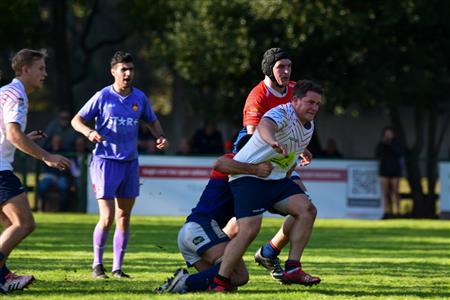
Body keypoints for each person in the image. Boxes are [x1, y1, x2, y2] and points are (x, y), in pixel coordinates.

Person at [209, 80, 324, 292]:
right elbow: (265, 125)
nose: (314, 108)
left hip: (276, 179)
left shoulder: (309, 124)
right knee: (249, 230)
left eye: (317, 104)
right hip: (248, 177)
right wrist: (271, 141)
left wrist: (299, 154)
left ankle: (292, 268)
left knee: (307, 210)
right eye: (310, 102)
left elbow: (290, 153)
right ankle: (220, 281)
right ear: (295, 100)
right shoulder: (282, 112)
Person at [71, 51, 169, 279]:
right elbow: (77, 120)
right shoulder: (103, 96)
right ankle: (97, 265)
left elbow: (152, 121)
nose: (128, 73)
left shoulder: (139, 98)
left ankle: (117, 268)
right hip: (105, 162)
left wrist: (160, 136)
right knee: (107, 218)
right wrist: (89, 132)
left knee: (124, 217)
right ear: (113, 71)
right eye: (123, 69)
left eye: (131, 69)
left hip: (129, 162)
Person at [234, 47, 315, 281]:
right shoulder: (257, 96)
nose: (287, 71)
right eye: (281, 67)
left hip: (282, 161)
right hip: (254, 164)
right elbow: (253, 139)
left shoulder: (294, 90)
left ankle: (270, 253)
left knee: (306, 208)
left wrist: (301, 148)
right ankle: (216, 257)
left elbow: (295, 126)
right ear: (269, 68)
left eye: (289, 66)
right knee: (244, 225)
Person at [155, 134, 273, 293]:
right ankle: (183, 281)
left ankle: (181, 286)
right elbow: (221, 162)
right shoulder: (234, 163)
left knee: (231, 283)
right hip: (201, 226)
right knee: (239, 275)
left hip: (193, 231)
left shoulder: (246, 173)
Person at [0, 48, 71, 292]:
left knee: (9, 225)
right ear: (24, 69)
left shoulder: (4, 92)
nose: (45, 74)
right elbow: (12, 133)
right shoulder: (17, 96)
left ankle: (4, 276)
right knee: (24, 224)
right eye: (40, 68)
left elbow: (8, 135)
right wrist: (47, 156)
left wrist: (21, 139)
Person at [37, 134, 73, 211]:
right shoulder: (47, 151)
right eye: (55, 141)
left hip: (61, 176)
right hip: (49, 175)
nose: (57, 143)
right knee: (42, 186)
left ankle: (62, 209)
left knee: (63, 186)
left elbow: (67, 168)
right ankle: (41, 208)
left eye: (59, 142)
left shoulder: (65, 151)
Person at [375, 126, 404, 218]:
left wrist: (391, 144)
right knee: (385, 193)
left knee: (396, 192)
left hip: (395, 170)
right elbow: (377, 154)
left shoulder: (397, 144)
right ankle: (386, 212)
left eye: (390, 133)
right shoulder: (381, 144)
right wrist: (384, 144)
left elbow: (399, 153)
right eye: (386, 134)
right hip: (384, 170)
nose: (388, 135)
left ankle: (398, 212)